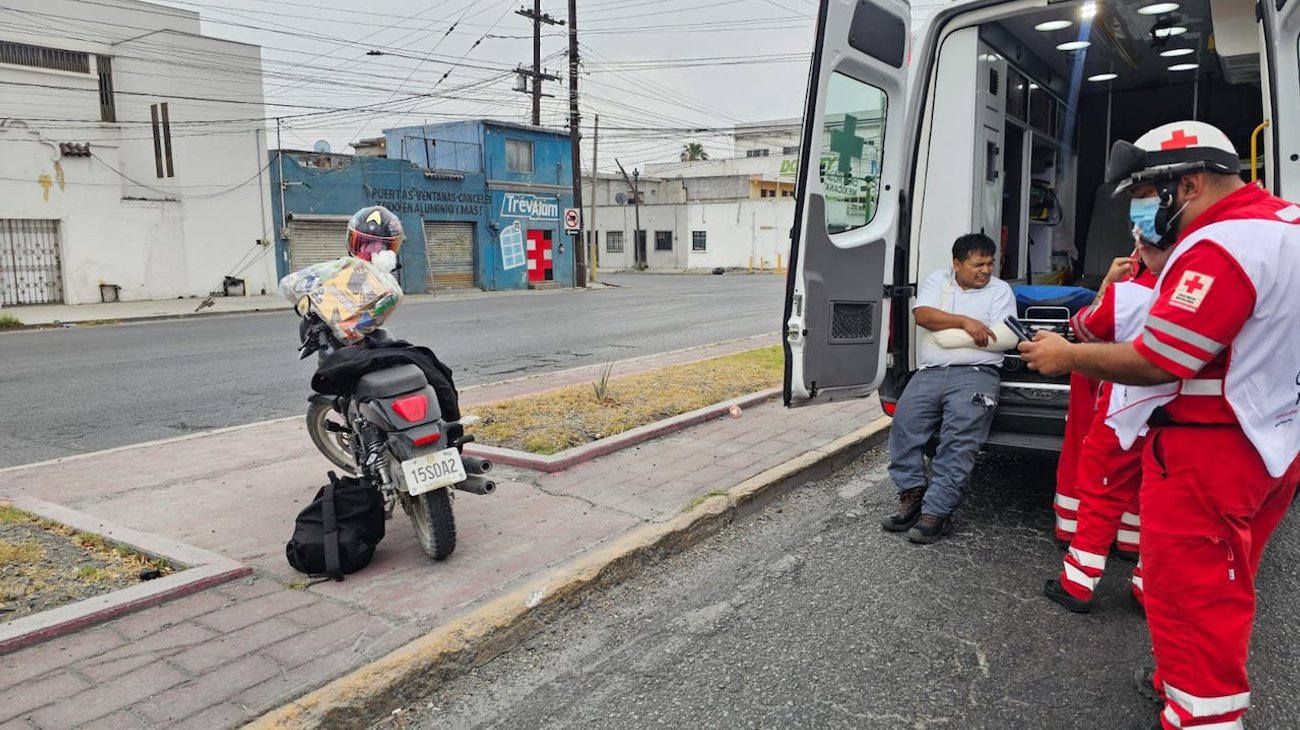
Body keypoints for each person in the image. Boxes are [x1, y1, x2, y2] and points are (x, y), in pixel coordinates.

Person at [1019, 120, 1300, 730]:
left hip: (1210, 451)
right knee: (1218, 581)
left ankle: (1201, 716)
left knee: (1196, 597)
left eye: (1146, 195)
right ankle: (1177, 685)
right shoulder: (1287, 224)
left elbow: (1158, 359)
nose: (1141, 213)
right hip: (1273, 439)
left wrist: (1067, 356)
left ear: (1188, 186)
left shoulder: (1222, 245)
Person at [1043, 185, 1177, 614]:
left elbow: (1085, 328)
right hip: (1175, 419)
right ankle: (1145, 585)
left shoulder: (1127, 294)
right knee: (1159, 501)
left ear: (1141, 246)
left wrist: (1106, 286)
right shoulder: (1194, 291)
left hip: (1122, 413)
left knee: (1100, 494)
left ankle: (1078, 584)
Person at [881, 233, 1017, 544]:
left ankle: (937, 512)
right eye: (978, 264)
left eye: (990, 263)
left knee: (959, 439)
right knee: (904, 425)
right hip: (930, 372)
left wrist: (945, 333)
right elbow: (923, 316)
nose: (986, 270)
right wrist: (968, 323)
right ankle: (912, 494)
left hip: (977, 373)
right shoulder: (938, 281)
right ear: (957, 264)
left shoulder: (1000, 290)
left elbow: (1005, 337)